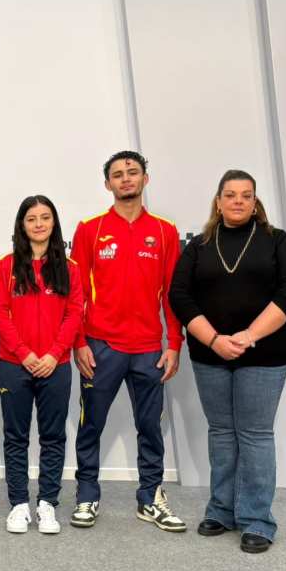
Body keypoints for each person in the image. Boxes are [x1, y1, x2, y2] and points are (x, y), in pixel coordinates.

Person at [169, 170, 286, 553]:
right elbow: (179, 296)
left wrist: (249, 335)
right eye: (230, 195)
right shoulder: (198, 246)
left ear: (255, 201)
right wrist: (214, 340)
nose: (238, 201)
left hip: (265, 355)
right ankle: (222, 510)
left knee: (255, 434)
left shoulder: (277, 241)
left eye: (246, 195)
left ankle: (257, 519)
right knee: (221, 432)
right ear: (218, 202)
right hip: (209, 354)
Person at [69, 151, 186, 533]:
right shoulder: (90, 229)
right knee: (91, 425)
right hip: (101, 346)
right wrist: (79, 342)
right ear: (108, 184)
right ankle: (87, 494)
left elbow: (173, 294)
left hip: (149, 349)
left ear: (145, 179)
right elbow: (75, 293)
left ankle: (150, 497)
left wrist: (174, 343)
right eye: (118, 174)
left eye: (132, 172)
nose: (126, 179)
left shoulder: (165, 231)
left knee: (150, 427)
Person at [0, 196, 83, 534]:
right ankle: (18, 504)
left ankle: (47, 504)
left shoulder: (69, 268)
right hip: (15, 365)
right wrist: (24, 353)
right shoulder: (6, 266)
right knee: (15, 437)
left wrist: (54, 353)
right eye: (32, 219)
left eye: (45, 217)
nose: (39, 224)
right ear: (22, 225)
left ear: (54, 223)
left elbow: (74, 313)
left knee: (53, 437)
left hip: (55, 366)